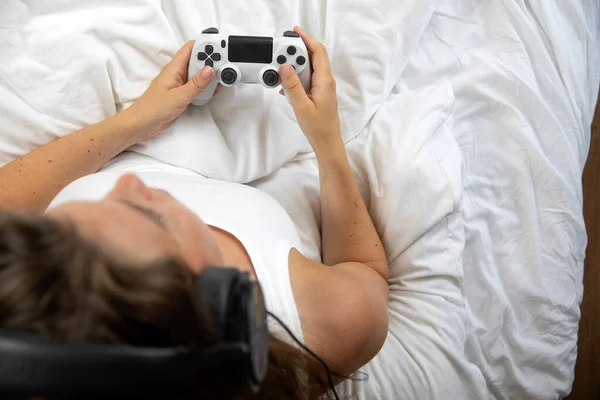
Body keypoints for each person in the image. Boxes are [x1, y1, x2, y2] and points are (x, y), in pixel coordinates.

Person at [0, 26, 389, 399]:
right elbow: (363, 267)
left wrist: (137, 120)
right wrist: (327, 139)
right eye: (152, 218)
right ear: (219, 304)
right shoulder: (332, 323)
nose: (129, 183)